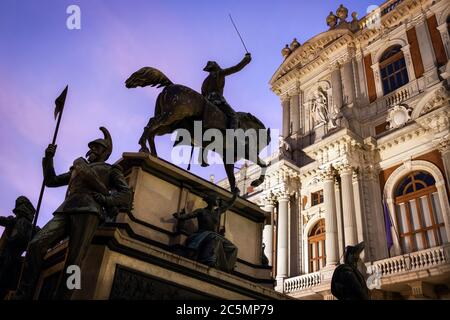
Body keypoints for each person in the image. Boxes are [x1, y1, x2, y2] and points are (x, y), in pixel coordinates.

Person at [14, 127, 131, 300]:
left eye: (96, 147)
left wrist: (106, 201)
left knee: (74, 261)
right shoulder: (77, 168)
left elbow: (126, 194)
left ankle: (65, 297)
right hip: (65, 209)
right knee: (36, 244)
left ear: (105, 152)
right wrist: (48, 158)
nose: (91, 149)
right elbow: (51, 181)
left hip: (89, 212)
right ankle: (23, 294)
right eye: (91, 147)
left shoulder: (110, 170)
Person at [199, 53, 252, 167]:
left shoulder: (205, 80)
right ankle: (230, 138)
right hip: (217, 101)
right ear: (215, 67)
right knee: (233, 116)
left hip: (206, 102)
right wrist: (246, 60)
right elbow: (236, 68)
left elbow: (202, 93)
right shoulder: (219, 73)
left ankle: (202, 153)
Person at [173, 193, 238, 272]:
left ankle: (228, 267)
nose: (218, 201)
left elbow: (228, 205)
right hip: (202, 234)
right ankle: (209, 260)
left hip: (214, 234)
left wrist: (235, 195)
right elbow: (189, 215)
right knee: (214, 238)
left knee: (233, 248)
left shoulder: (218, 212)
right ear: (211, 200)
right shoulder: (201, 211)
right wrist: (180, 216)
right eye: (217, 199)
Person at [0, 196, 38, 299]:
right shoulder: (13, 220)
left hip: (14, 257)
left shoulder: (30, 227)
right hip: (8, 255)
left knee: (7, 275)